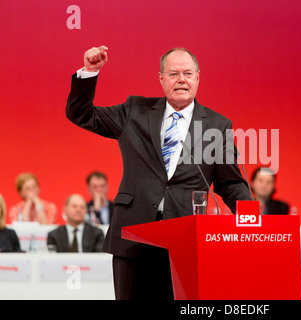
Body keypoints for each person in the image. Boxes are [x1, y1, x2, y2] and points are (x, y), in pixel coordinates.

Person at [66, 46, 251, 299]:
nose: (181, 80)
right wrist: (89, 72)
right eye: (173, 74)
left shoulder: (217, 126)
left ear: (198, 77)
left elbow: (230, 182)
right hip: (133, 238)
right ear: (161, 78)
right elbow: (81, 114)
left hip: (185, 242)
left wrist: (250, 214)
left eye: (187, 73)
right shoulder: (135, 111)